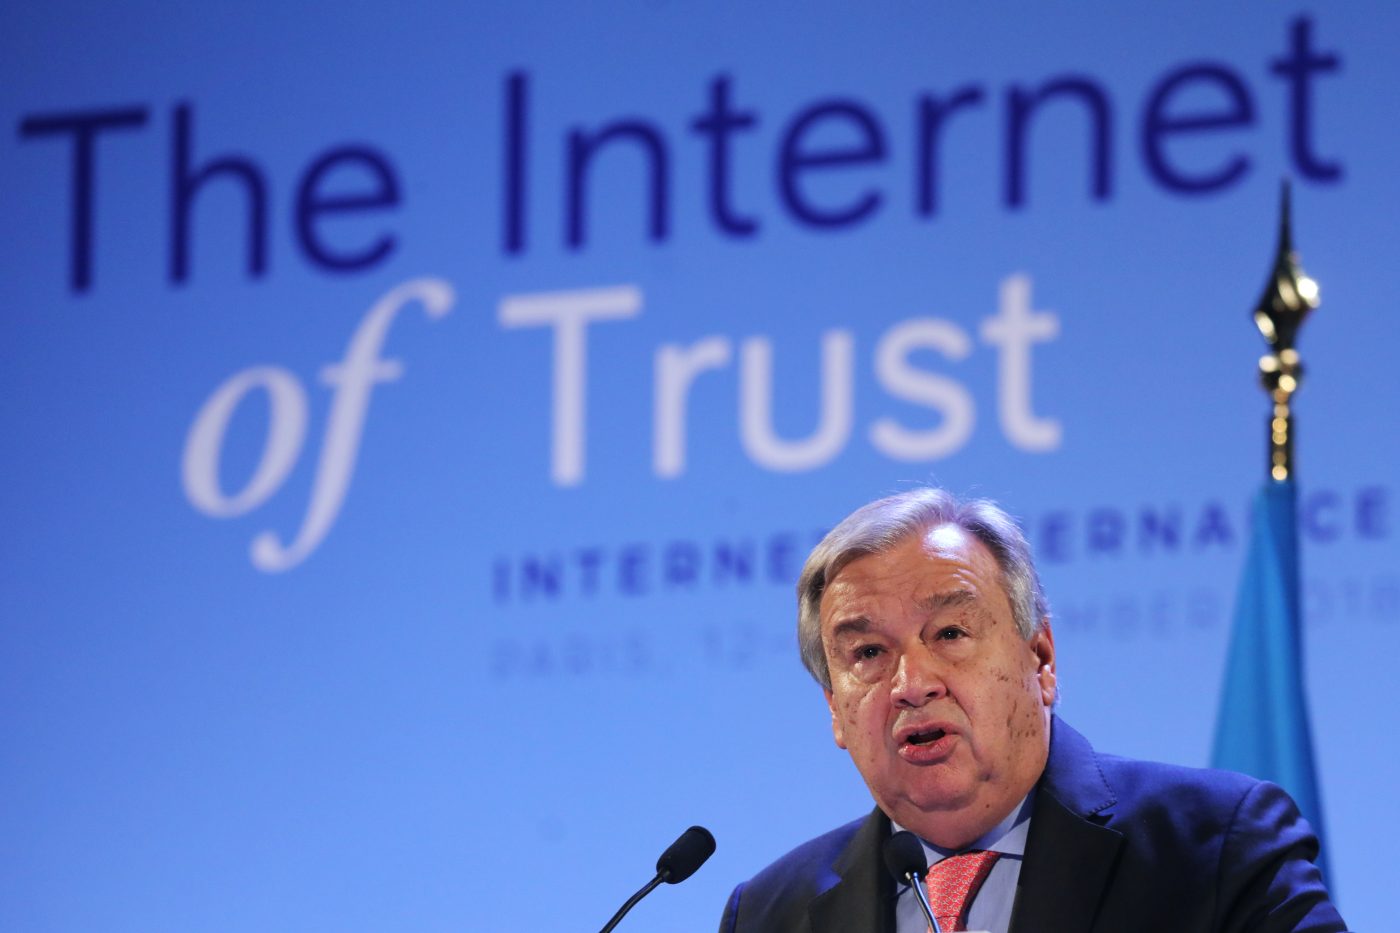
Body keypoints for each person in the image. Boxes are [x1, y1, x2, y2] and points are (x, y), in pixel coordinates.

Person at [718, 488, 1345, 933]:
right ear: (835, 709)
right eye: (869, 652)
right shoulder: (771, 913)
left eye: (950, 634)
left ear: (1040, 658)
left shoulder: (1218, 844)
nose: (911, 683)